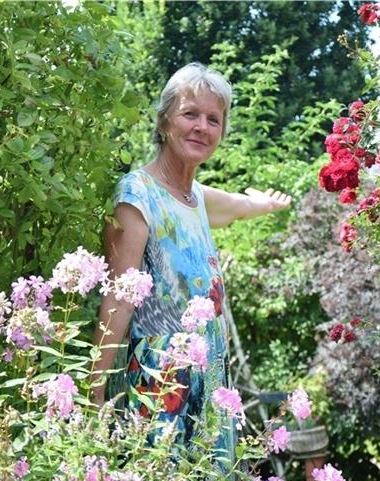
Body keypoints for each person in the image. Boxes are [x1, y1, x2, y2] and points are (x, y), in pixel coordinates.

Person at [90, 63, 290, 460]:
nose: (202, 126)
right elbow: (119, 298)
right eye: (190, 114)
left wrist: (266, 204)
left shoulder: (195, 197)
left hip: (210, 379)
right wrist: (93, 394)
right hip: (157, 383)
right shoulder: (137, 194)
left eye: (213, 119)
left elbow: (235, 206)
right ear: (165, 121)